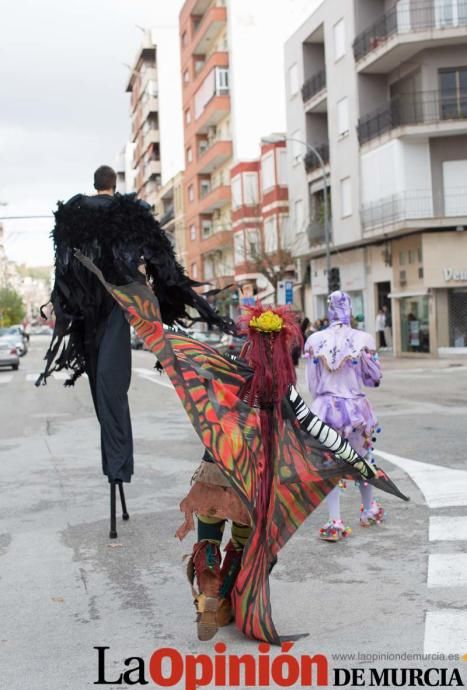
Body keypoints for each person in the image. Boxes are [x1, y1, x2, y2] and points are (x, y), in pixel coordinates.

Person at [76, 255, 408, 643]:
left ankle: (211, 594)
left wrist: (136, 305)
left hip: (216, 473)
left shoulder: (228, 369)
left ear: (250, 341)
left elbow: (180, 346)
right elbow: (320, 432)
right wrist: (363, 466)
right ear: (283, 350)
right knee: (243, 545)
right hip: (255, 484)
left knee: (210, 537)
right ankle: (231, 600)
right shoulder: (283, 391)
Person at [37, 165, 233, 538]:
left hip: (86, 318)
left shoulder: (73, 214)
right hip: (115, 309)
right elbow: (160, 259)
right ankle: (117, 467)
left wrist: (58, 304)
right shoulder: (128, 213)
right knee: (114, 389)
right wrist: (160, 295)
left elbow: (61, 268)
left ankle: (116, 466)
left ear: (94, 185)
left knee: (104, 391)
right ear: (114, 185)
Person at [305, 291, 383, 541]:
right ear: (349, 308)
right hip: (355, 410)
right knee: (363, 459)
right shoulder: (363, 339)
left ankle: (335, 521)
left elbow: (313, 384)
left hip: (325, 408)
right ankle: (369, 511)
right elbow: (373, 379)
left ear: (328, 310)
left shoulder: (315, 340)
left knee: (331, 463)